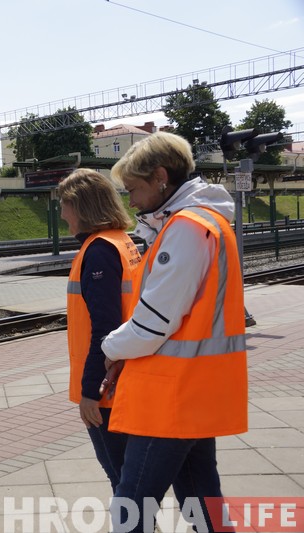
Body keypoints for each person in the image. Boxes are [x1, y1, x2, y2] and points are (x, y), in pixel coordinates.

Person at [101, 132, 248, 533]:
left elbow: (153, 323)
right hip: (195, 389)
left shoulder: (186, 228)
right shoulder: (207, 221)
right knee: (201, 497)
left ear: (161, 177)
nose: (130, 201)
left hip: (170, 395)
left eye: (133, 189)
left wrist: (109, 346)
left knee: (132, 505)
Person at [57, 169, 141, 494]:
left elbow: (104, 329)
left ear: (81, 205)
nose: (62, 213)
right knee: (129, 477)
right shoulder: (122, 241)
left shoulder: (99, 252)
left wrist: (91, 391)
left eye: (64, 204)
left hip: (109, 388)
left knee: (121, 478)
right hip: (126, 376)